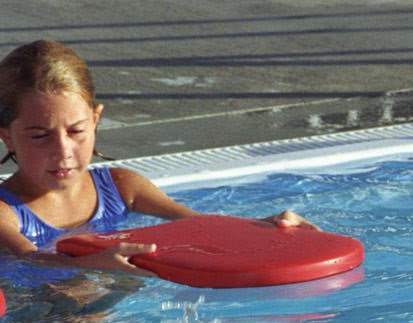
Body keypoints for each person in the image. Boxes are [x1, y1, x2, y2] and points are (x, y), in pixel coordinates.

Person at [0, 39, 311, 271]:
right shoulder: (5, 212)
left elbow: (198, 223)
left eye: (76, 131)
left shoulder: (122, 188)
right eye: (40, 135)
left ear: (95, 121)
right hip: (34, 317)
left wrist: (265, 227)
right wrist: (93, 265)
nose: (63, 150)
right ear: (7, 137)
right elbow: (32, 262)